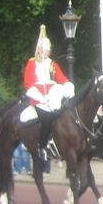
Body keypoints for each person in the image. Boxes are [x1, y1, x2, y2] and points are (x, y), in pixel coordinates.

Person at [23, 25, 74, 162]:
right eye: (44, 50)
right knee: (45, 116)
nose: (46, 53)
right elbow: (28, 83)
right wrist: (41, 98)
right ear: (39, 50)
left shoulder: (52, 64)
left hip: (54, 97)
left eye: (48, 50)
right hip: (39, 98)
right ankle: (42, 145)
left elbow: (62, 79)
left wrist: (68, 87)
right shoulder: (32, 63)